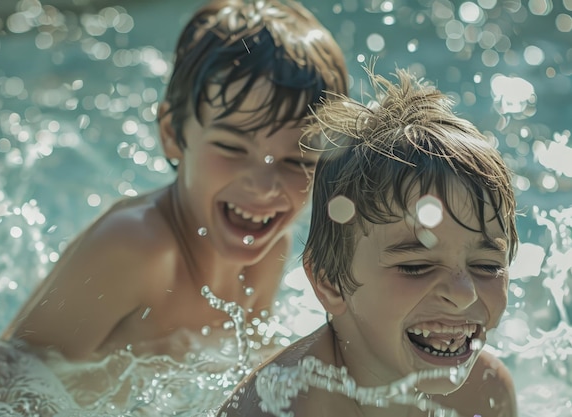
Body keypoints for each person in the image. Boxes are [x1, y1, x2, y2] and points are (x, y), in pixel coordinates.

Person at [1, 0, 348, 361]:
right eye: (231, 147)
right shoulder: (136, 248)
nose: (264, 187)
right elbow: (9, 375)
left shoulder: (271, 249)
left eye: (298, 160)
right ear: (172, 133)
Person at [217, 67, 519, 417]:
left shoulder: (487, 393)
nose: (463, 293)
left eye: (487, 265)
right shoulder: (282, 407)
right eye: (416, 266)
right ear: (329, 281)